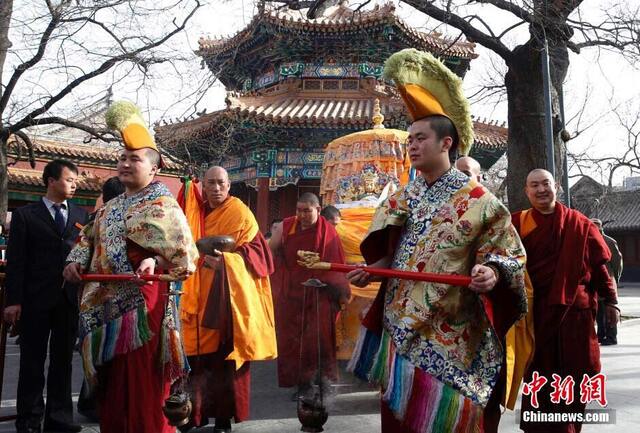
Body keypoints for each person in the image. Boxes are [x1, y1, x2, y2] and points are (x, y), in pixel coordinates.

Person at [345, 49, 527, 433]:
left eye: (420, 138)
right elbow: (394, 259)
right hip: (400, 331)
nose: (411, 145)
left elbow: (508, 256)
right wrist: (371, 272)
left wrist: (491, 273)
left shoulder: (480, 202)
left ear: (446, 144)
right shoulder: (400, 198)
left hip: (452, 332)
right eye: (409, 138)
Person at [63, 101, 199, 433]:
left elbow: (186, 258)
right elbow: (87, 243)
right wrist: (73, 263)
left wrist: (157, 259)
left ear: (153, 169)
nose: (124, 163)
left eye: (134, 159)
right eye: (122, 158)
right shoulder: (110, 207)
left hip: (143, 309)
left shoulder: (163, 205)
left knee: (142, 388)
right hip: (105, 306)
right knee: (111, 389)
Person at [513, 169, 618, 433]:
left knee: (576, 375)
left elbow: (600, 268)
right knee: (540, 377)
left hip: (575, 318)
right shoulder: (517, 224)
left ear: (557, 186)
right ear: (526, 191)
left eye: (545, 184)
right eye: (534, 185)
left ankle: (571, 428)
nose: (540, 190)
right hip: (536, 315)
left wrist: (612, 302)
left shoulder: (580, 224)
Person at [180, 166, 277, 433]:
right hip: (197, 294)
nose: (216, 188)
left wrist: (227, 263)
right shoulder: (195, 212)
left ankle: (223, 420)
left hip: (227, 298)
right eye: (210, 183)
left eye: (221, 183)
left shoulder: (240, 213)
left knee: (225, 363)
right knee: (197, 361)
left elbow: (260, 256)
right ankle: (193, 416)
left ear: (229, 185)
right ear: (204, 186)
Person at [3, 159, 88, 433]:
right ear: (51, 180)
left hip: (68, 300)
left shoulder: (80, 215)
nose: (74, 184)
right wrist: (13, 301)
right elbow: (16, 261)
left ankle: (60, 418)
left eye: (76, 180)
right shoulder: (27, 215)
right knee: (31, 362)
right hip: (34, 300)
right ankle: (28, 419)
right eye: (69, 179)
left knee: (63, 361)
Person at [269, 192, 350, 399]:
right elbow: (269, 250)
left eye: (307, 211)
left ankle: (324, 383)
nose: (302, 215)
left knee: (320, 340)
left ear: (318, 209)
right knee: (294, 341)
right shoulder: (286, 226)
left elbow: (336, 265)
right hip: (292, 294)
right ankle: (303, 384)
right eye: (298, 210)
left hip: (319, 295)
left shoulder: (328, 231)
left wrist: (338, 291)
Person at [76, 176, 125, 422]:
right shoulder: (127, 218)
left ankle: (91, 401)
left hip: (93, 294)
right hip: (119, 294)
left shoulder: (94, 220)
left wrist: (73, 264)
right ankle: (103, 402)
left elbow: (80, 249)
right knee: (114, 350)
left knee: (96, 348)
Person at [591, 218, 623, 346]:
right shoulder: (590, 240)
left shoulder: (609, 242)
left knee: (610, 309)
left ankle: (611, 336)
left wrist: (615, 278)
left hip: (608, 279)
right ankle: (601, 334)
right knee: (599, 310)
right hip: (596, 280)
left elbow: (617, 263)